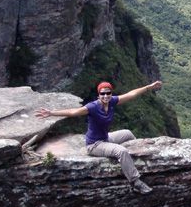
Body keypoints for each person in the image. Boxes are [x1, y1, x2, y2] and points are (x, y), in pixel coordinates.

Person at [35, 80, 163, 194]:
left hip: (106, 138)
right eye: (103, 93)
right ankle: (135, 182)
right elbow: (73, 112)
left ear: (111, 93)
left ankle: (131, 161)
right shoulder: (92, 107)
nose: (105, 96)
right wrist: (51, 113)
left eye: (108, 93)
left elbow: (131, 94)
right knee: (122, 151)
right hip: (94, 145)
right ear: (99, 95)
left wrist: (149, 87)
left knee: (128, 133)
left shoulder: (112, 101)